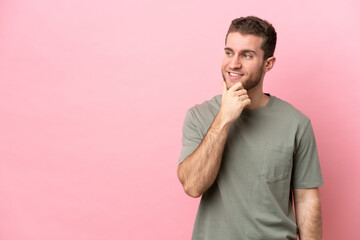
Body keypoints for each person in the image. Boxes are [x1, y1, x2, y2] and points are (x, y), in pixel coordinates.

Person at [177, 16, 324, 240]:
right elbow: (193, 186)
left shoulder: (296, 123)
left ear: (268, 63)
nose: (233, 63)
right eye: (229, 52)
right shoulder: (199, 116)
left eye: (246, 55)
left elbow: (306, 200)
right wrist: (224, 119)